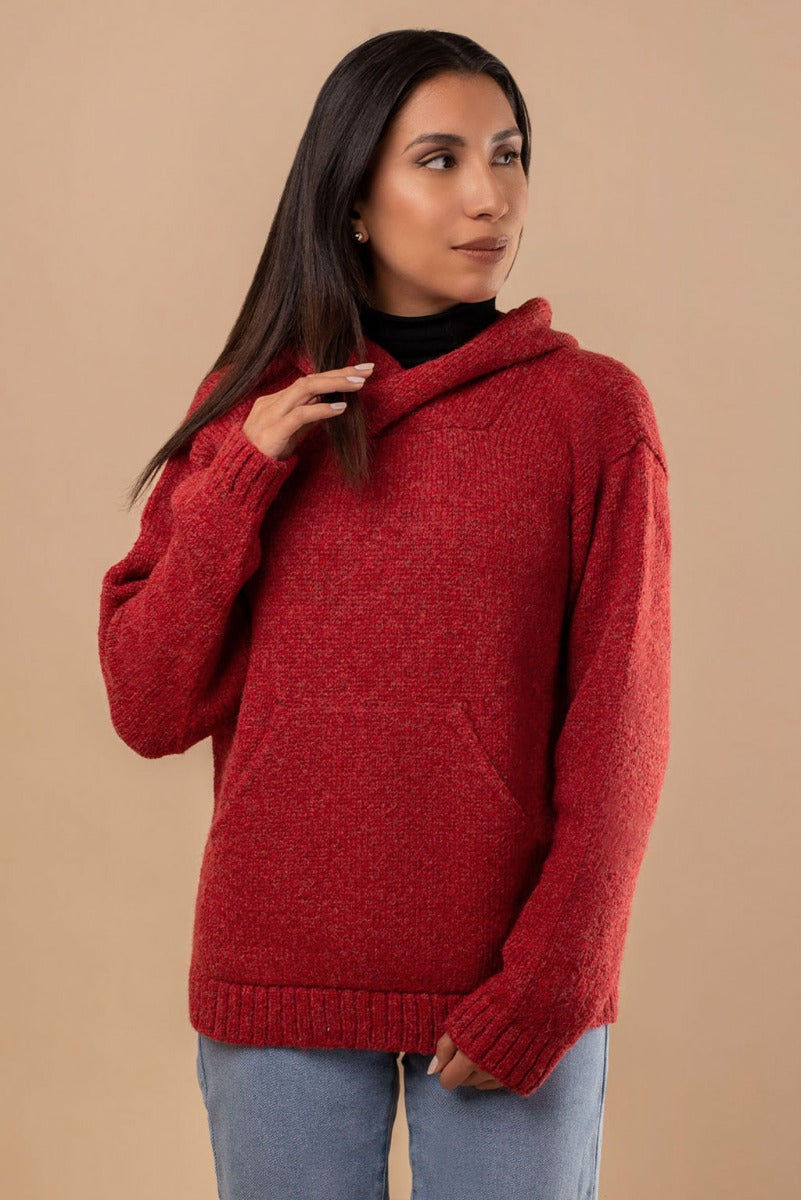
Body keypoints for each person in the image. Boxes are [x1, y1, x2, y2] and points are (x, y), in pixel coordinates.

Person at [97, 28, 671, 1200]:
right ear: (354, 199)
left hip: (508, 989)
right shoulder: (256, 410)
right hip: (278, 981)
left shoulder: (591, 414)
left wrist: (555, 982)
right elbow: (149, 707)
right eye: (441, 159)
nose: (490, 197)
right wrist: (243, 477)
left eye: (507, 155)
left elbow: (622, 728)